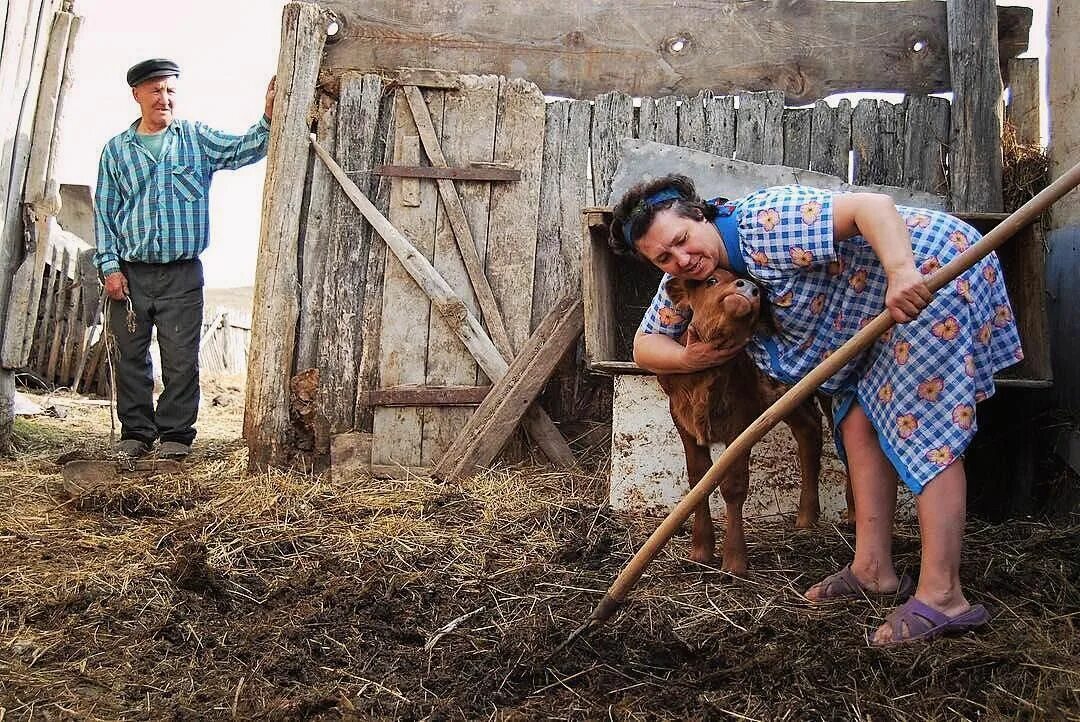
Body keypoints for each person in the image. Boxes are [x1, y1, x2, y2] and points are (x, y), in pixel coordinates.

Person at [610, 174, 1023, 646]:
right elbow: (645, 345)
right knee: (857, 421)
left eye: (682, 240)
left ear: (699, 215)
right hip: (870, 312)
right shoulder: (689, 278)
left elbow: (874, 206)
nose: (681, 259)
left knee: (922, 427)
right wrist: (688, 357)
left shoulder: (769, 223)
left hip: (931, 272)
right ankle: (872, 569)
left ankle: (943, 595)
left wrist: (902, 271)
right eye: (664, 257)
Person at [94, 58, 275, 459]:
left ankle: (175, 438)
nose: (164, 98)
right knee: (130, 360)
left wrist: (266, 117)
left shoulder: (195, 139)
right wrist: (109, 267)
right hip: (131, 274)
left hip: (182, 274)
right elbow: (105, 213)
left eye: (170, 90)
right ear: (137, 95)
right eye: (156, 90)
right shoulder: (116, 151)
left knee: (180, 360)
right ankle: (136, 436)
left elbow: (243, 149)